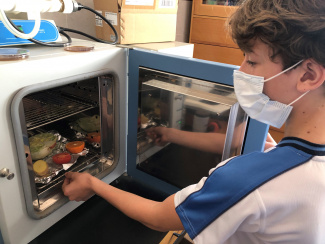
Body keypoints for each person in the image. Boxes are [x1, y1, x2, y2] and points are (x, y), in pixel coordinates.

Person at [62, 0, 325, 243]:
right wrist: (170, 133)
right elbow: (233, 140)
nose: (241, 70)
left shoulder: (251, 178)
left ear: (309, 75)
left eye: (252, 60)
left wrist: (93, 184)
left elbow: (157, 217)